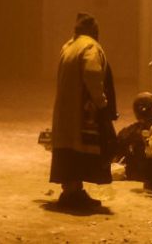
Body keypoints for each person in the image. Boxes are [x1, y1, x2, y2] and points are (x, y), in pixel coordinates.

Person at [49, 13, 113, 209]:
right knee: (79, 150)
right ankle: (74, 195)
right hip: (80, 113)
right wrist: (101, 102)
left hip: (64, 110)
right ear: (94, 31)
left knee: (66, 149)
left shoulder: (68, 46)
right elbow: (92, 74)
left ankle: (71, 189)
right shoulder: (90, 47)